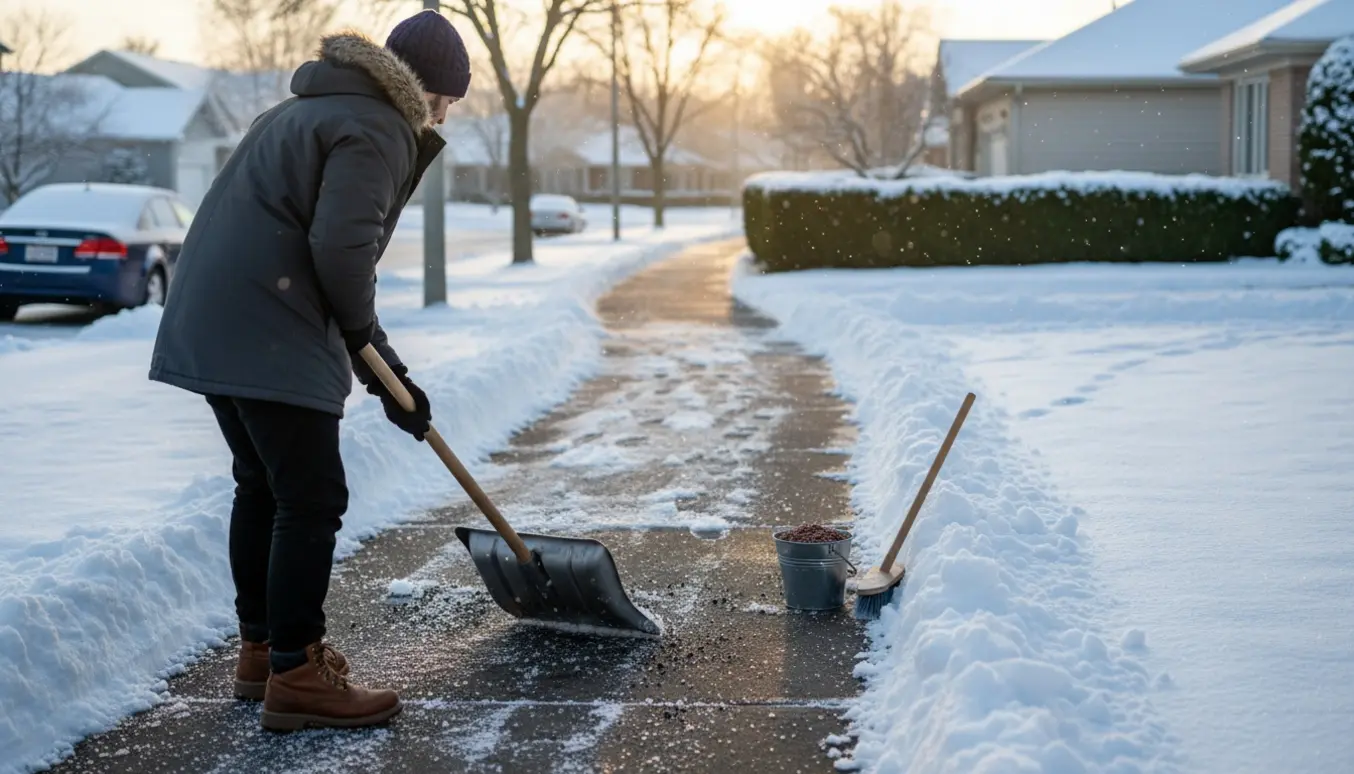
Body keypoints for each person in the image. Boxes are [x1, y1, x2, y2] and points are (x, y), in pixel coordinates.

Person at [147, 10, 470, 731]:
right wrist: (370, 351)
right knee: (312, 493)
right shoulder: (380, 127)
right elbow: (342, 256)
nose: (445, 114)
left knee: (263, 483)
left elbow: (326, 254)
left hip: (215, 318)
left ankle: (263, 652)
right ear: (424, 90)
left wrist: (385, 369)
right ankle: (298, 673)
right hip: (268, 323)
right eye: (446, 98)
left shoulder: (302, 111)